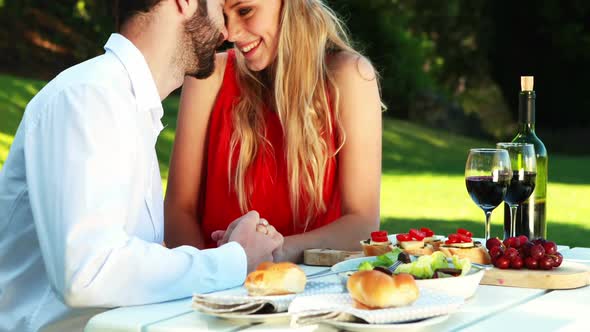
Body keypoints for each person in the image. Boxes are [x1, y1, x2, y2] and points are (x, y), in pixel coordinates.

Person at [0, 1, 283, 331]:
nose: (227, 32)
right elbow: (89, 271)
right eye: (220, 6)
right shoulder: (88, 96)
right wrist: (236, 258)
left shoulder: (127, 106)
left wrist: (214, 256)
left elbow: (118, 264)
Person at [164, 0, 382, 262]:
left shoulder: (350, 76)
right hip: (215, 291)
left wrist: (267, 252)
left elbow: (362, 224)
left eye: (245, 11)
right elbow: (178, 210)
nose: (230, 34)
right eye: (224, 15)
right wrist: (214, 273)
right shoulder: (209, 77)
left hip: (311, 287)